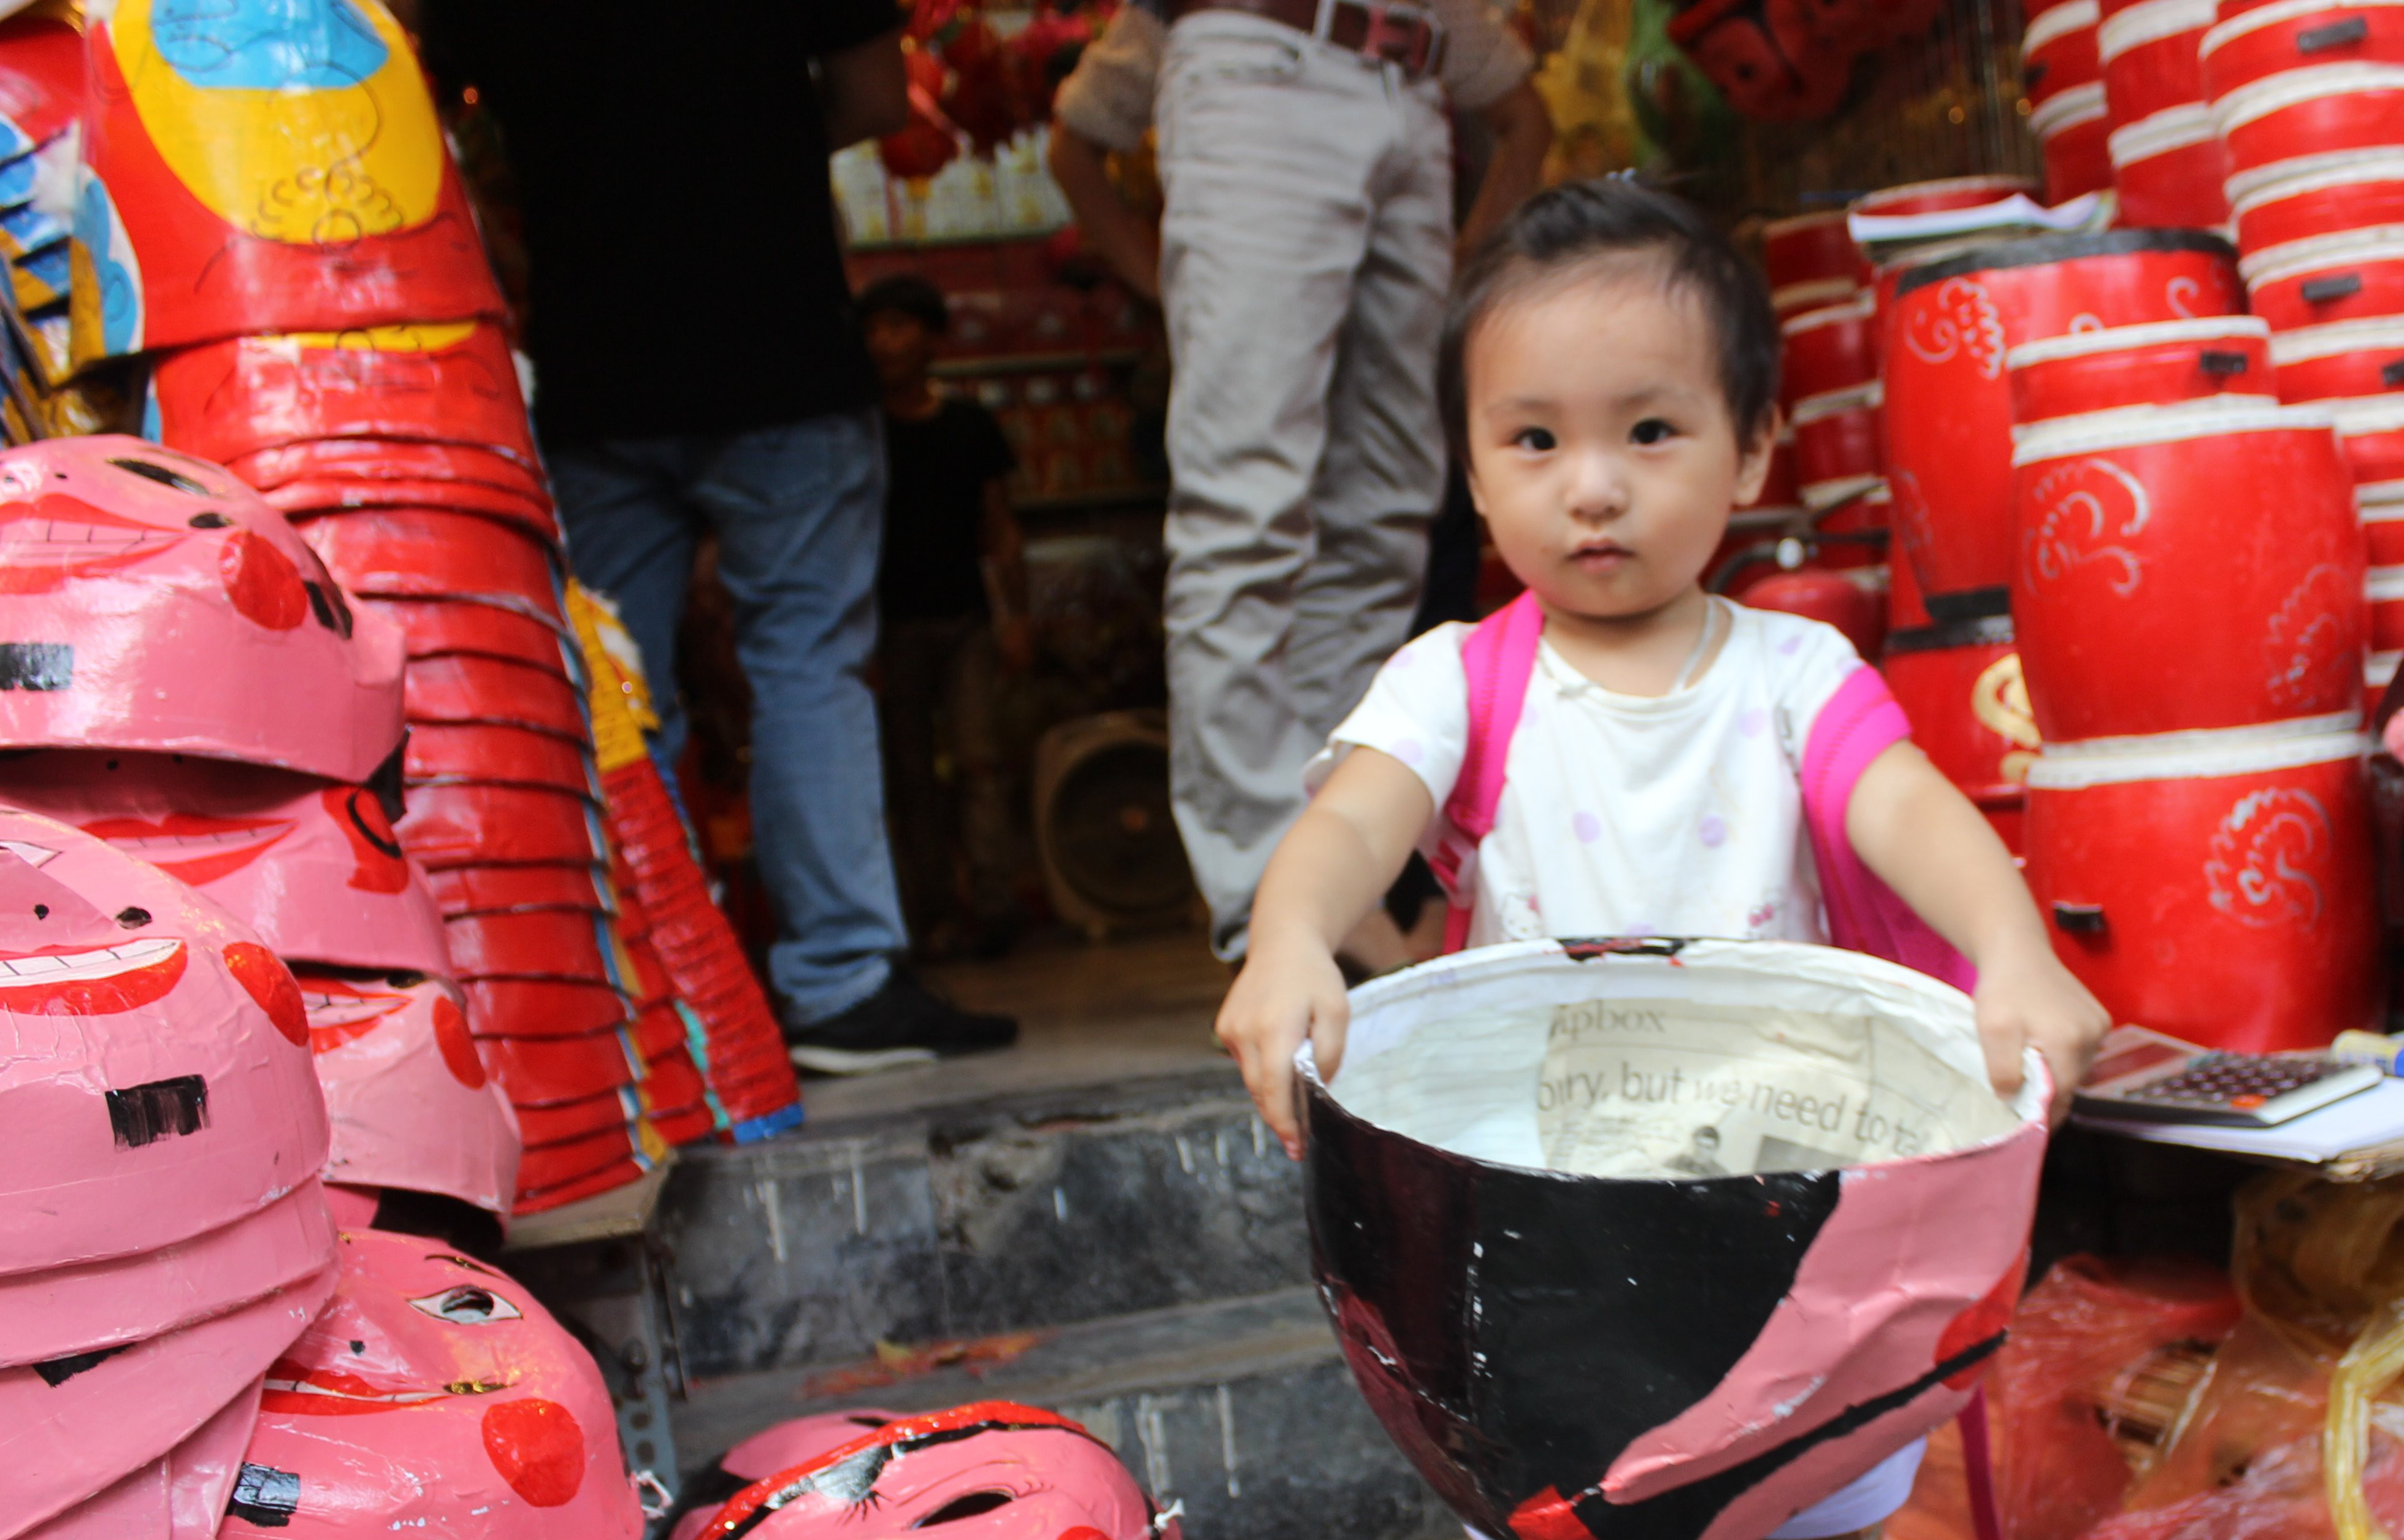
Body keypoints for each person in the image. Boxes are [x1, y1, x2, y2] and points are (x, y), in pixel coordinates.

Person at [1212, 181, 2111, 1540]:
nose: (1593, 485)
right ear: (1473, 470)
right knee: (1519, 1528)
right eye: (1533, 438)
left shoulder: (1791, 677)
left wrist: (2013, 948)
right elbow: (1345, 827)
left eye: (1648, 431)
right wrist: (1291, 936)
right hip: (1533, 1202)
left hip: (1770, 1185)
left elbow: (1909, 808)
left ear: (1752, 448)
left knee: (1809, 1514)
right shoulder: (1459, 680)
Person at [413, 0, 1016, 1074]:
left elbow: (411, 79)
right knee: (808, 665)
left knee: (611, 689)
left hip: (600, 372)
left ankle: (642, 994)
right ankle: (838, 984)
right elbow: (878, 95)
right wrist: (753, 130)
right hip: (778, 349)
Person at [1045, 0, 1552, 968]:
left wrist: (1461, 266)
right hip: (1256, 65)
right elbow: (1074, 144)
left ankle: (1330, 881)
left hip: (1413, 84)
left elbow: (1524, 110)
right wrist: (1166, 284)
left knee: (1388, 516)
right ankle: (1265, 901)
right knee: (1247, 511)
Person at [857, 274, 1036, 959]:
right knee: (910, 780)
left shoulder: (968, 426)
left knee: (979, 764)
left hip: (964, 621)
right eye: (874, 330)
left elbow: (1000, 525)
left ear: (933, 339)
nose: (885, 343)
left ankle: (994, 904)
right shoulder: (863, 434)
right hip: (890, 627)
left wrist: (1015, 615)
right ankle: (932, 914)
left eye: (900, 327)